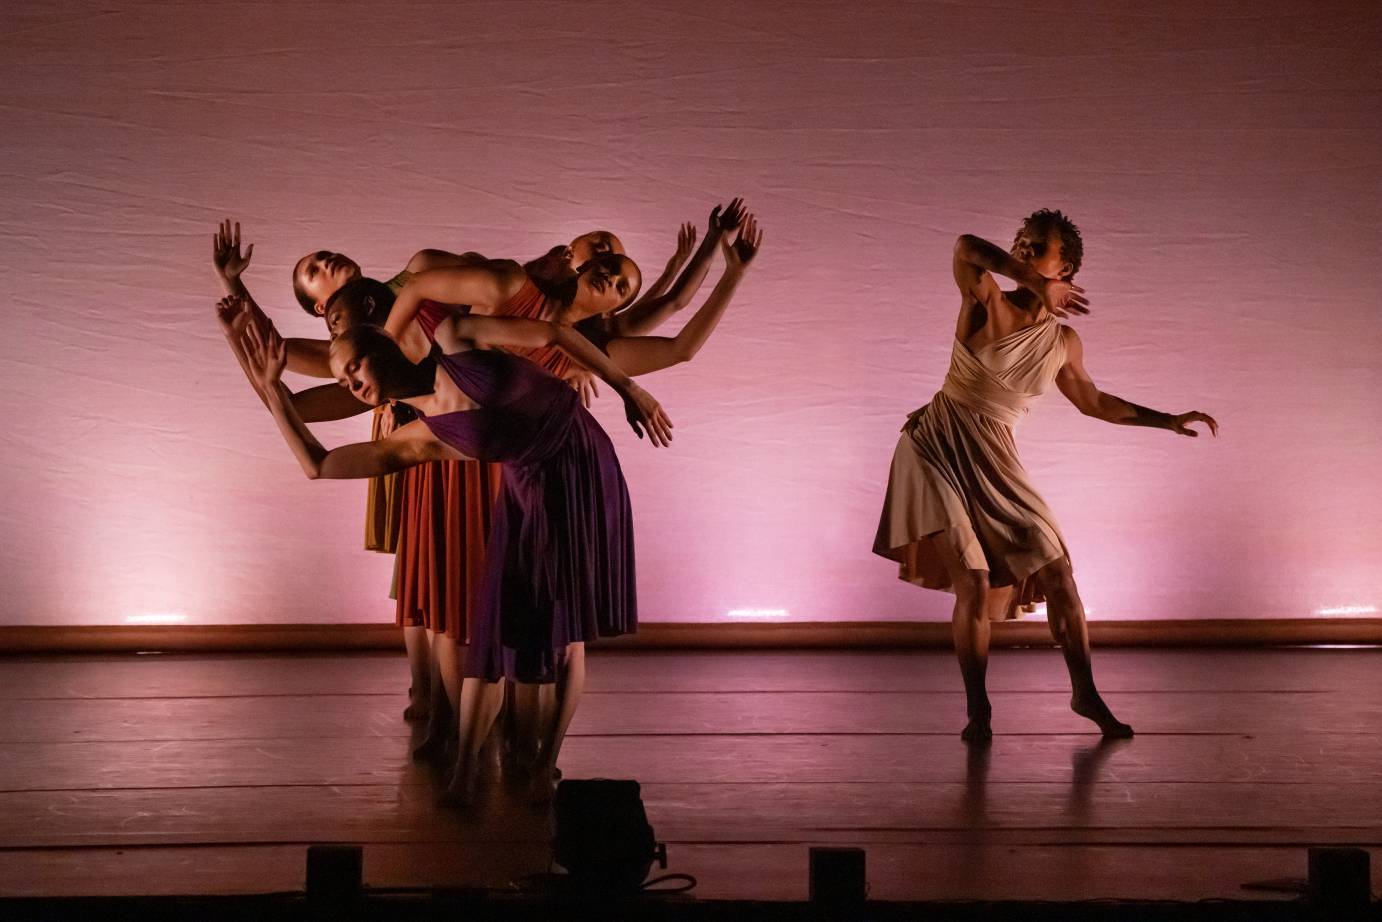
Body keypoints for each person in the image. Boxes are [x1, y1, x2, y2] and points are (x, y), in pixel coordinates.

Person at [217, 288, 669, 807]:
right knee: (496, 630)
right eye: (343, 382)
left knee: (565, 635)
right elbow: (317, 463)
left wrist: (630, 389)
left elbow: (554, 334)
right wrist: (269, 385)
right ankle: (467, 770)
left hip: (582, 463)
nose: (353, 385)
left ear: (383, 347)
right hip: (529, 492)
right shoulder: (423, 437)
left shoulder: (454, 336)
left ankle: (544, 764)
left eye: (355, 366)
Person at [874, 209, 1218, 743]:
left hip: (996, 455)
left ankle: (1085, 693)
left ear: (1069, 268)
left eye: (1039, 248)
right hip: (935, 447)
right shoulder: (986, 299)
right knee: (973, 578)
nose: (1026, 251)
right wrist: (1032, 279)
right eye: (1023, 244)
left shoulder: (1063, 343)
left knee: (1057, 572)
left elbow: (1095, 401)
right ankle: (978, 709)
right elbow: (965, 244)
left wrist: (1166, 419)